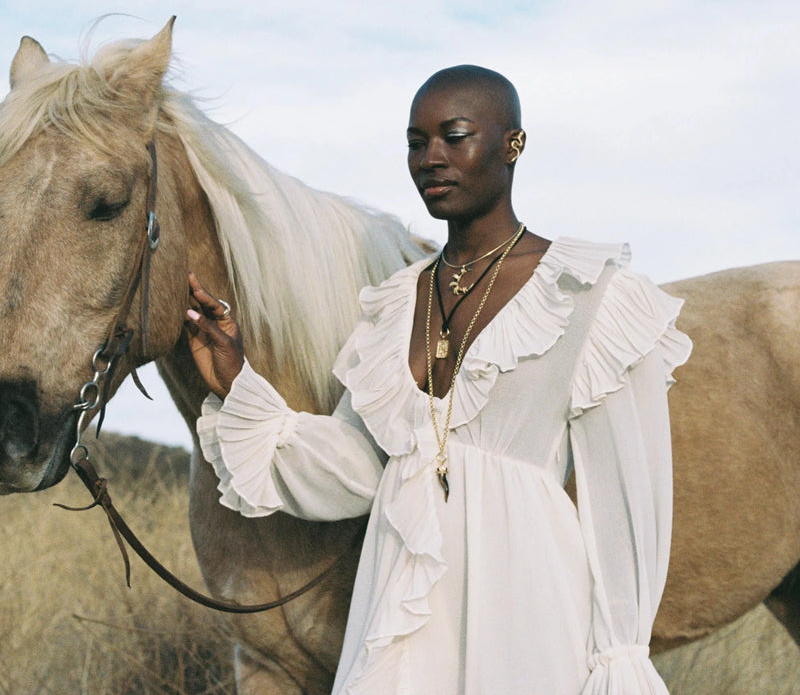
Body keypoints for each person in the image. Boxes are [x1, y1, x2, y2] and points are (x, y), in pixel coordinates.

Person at [186, 65, 691, 695]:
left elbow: (626, 505)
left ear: (513, 144)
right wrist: (239, 383)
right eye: (416, 143)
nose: (432, 159)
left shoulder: (591, 297)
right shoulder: (395, 304)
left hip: (528, 610)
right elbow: (360, 467)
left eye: (455, 137)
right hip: (401, 609)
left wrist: (618, 655)